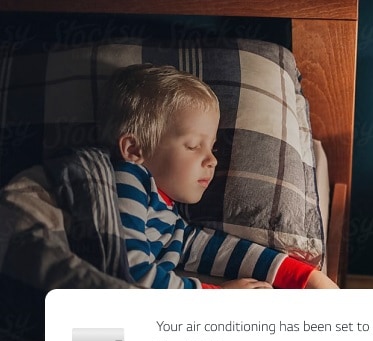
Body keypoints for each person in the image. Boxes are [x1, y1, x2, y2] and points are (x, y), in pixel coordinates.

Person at [99, 64, 337, 289]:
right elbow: (130, 275)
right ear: (133, 150)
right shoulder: (126, 179)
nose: (212, 160)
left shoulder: (169, 218)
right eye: (193, 146)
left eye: (212, 148)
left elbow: (216, 249)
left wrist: (306, 278)